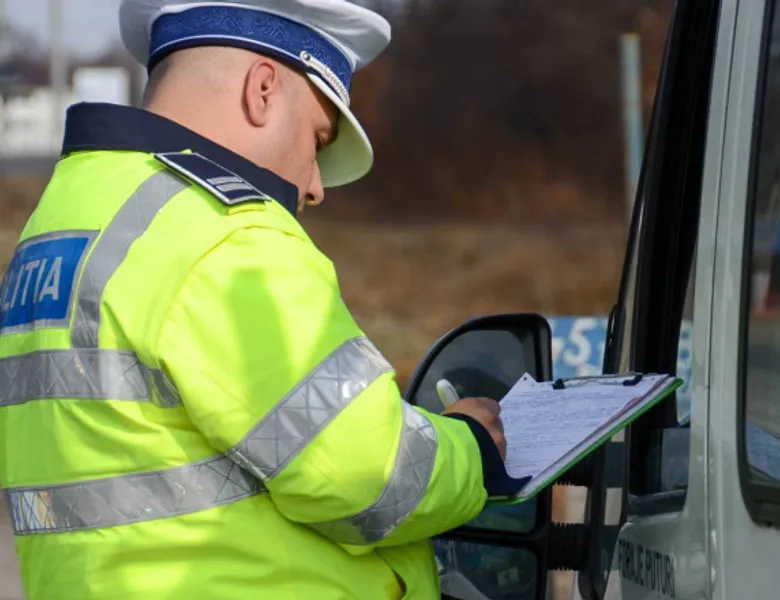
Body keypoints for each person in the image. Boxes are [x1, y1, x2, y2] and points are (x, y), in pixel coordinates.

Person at [0, 1, 528, 599]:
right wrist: (475, 446)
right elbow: (364, 474)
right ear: (263, 88)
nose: (314, 186)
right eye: (318, 139)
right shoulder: (222, 234)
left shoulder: (64, 220)